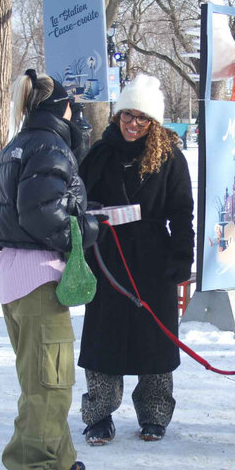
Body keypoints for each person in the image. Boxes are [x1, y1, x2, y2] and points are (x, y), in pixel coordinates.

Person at [0, 69, 107, 470]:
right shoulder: (48, 146)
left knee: (43, 375)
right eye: (74, 106)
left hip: (17, 273)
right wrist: (86, 228)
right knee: (49, 381)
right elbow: (40, 214)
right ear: (62, 108)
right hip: (37, 275)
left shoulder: (21, 143)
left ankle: (56, 457)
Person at [78, 74, 194, 445]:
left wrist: (182, 256)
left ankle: (154, 414)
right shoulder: (100, 152)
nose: (133, 123)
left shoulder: (170, 157)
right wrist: (92, 214)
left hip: (153, 259)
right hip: (107, 257)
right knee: (103, 339)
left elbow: (182, 212)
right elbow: (78, 201)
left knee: (155, 341)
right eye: (128, 114)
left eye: (142, 118)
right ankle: (98, 415)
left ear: (153, 122)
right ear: (118, 114)